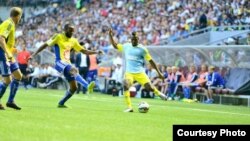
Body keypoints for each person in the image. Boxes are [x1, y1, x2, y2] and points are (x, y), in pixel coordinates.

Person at [30, 23, 103, 108]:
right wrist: (34, 54)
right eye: (70, 31)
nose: (71, 33)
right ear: (65, 30)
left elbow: (84, 51)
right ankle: (87, 86)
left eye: (73, 32)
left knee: (74, 88)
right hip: (59, 62)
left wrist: (96, 52)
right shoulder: (58, 37)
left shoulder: (73, 40)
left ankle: (61, 103)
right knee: (74, 69)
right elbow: (45, 44)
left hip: (67, 64)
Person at [108, 29, 167, 112]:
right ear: (131, 40)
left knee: (149, 87)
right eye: (132, 40)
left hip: (140, 72)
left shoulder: (142, 49)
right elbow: (115, 45)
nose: (133, 41)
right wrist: (110, 35)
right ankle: (129, 107)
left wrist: (159, 73)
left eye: (135, 40)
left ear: (138, 40)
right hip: (129, 73)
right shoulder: (126, 46)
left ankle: (159, 93)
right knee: (125, 85)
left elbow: (151, 61)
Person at [0, 7, 23, 110]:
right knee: (8, 80)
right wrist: (7, 52)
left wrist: (11, 49)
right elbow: (1, 38)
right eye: (20, 17)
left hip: (8, 54)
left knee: (18, 75)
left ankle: (10, 101)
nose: (20, 19)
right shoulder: (9, 23)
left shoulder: (11, 24)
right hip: (2, 54)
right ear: (18, 16)